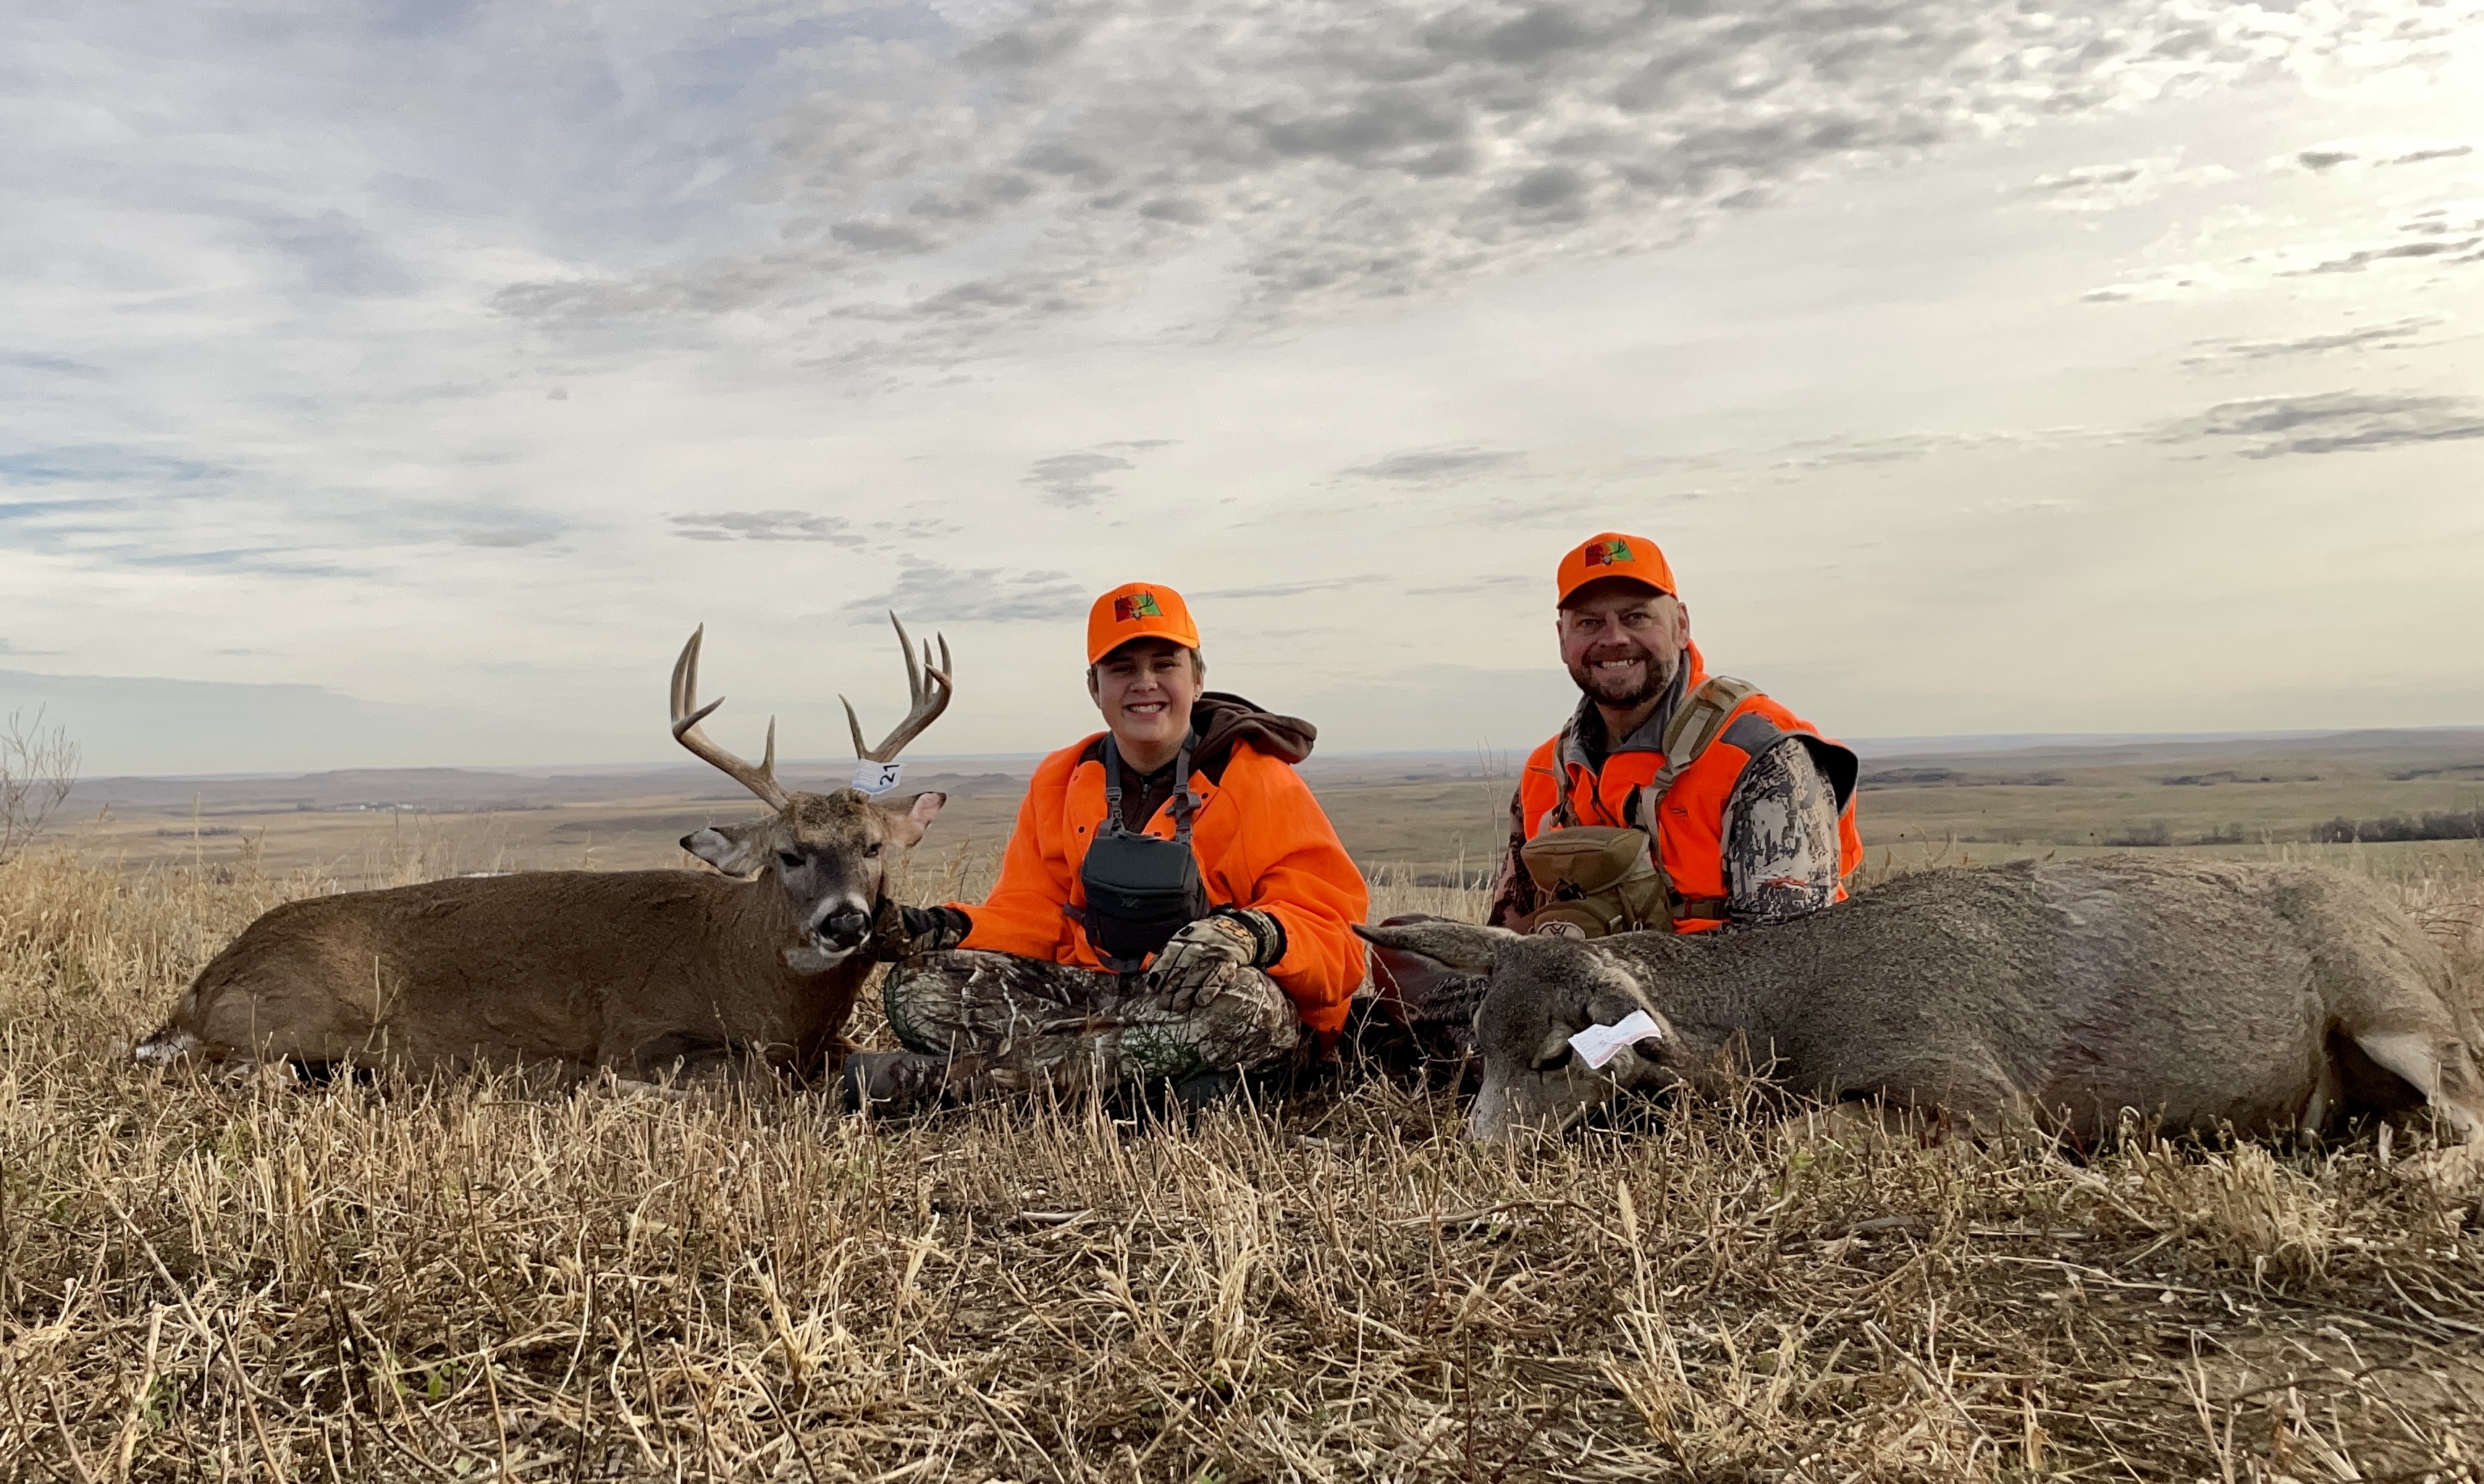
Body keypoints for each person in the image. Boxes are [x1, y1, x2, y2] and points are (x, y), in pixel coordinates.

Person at [849, 581, 1371, 1110]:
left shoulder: (1259, 779)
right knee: (917, 988)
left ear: (1197, 679)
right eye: (1122, 669)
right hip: (1101, 994)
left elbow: (1337, 939)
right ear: (1094, 688)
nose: (1145, 683)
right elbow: (1036, 916)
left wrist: (1250, 934)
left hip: (1212, 1003)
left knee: (1245, 1006)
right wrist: (945, 927)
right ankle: (1156, 1091)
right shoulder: (1061, 779)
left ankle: (947, 1086)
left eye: (1164, 664)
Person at [1372, 531, 1861, 1050]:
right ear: (1563, 640)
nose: (1613, 639)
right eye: (1589, 623)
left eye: (1636, 617)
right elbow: (1508, 936)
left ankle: (1521, 1059)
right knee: (1404, 943)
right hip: (1572, 996)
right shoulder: (1546, 769)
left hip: (1707, 1016)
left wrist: (1607, 984)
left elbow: (1787, 966)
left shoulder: (1762, 754)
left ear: (1681, 626)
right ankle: (1536, 1056)